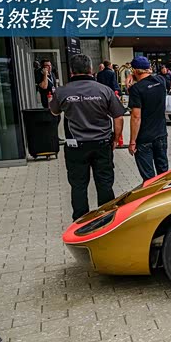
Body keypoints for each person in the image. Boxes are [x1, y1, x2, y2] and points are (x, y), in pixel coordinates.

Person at [49, 54, 124, 221]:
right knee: (105, 183)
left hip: (75, 146)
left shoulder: (62, 91)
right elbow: (118, 116)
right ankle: (107, 219)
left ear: (71, 71)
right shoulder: (104, 90)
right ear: (91, 69)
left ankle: (81, 221)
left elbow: (54, 112)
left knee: (78, 186)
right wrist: (116, 139)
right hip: (102, 144)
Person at [127, 56, 169, 181]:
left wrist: (132, 141)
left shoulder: (136, 89)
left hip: (144, 138)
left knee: (148, 177)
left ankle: (151, 193)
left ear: (134, 71)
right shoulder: (161, 81)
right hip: (161, 134)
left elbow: (136, 117)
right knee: (163, 173)